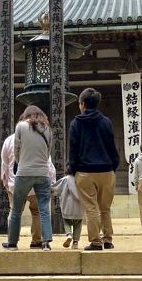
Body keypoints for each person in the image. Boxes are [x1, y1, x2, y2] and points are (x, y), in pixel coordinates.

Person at [70, 88, 119, 251]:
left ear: (82, 104)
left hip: (85, 171)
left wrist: (73, 169)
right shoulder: (106, 122)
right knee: (105, 207)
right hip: (106, 170)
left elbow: (73, 150)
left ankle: (96, 242)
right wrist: (113, 165)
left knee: (91, 208)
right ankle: (107, 239)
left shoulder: (76, 123)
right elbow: (112, 146)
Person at [3, 105, 53, 251]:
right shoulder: (48, 129)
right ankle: (46, 243)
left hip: (24, 172)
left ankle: (12, 243)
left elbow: (17, 149)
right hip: (43, 173)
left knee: (17, 209)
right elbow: (48, 152)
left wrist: (21, 162)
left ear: (26, 115)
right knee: (43, 209)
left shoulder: (20, 127)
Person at [53, 172, 84, 249]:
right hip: (79, 206)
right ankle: (75, 242)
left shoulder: (65, 179)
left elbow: (55, 188)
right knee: (78, 224)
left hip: (67, 205)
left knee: (66, 221)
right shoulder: (82, 179)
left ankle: (69, 234)